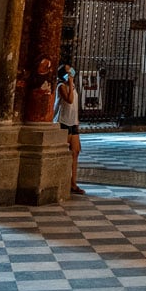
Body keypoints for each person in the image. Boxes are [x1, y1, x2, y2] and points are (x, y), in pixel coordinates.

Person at [54, 64, 86, 195]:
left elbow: (75, 108)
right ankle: (61, 181)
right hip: (63, 122)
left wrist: (77, 123)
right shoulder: (61, 86)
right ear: (64, 75)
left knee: (76, 152)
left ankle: (73, 183)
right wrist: (71, 82)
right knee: (65, 153)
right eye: (69, 71)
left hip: (73, 123)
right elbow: (70, 101)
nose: (72, 71)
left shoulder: (72, 87)